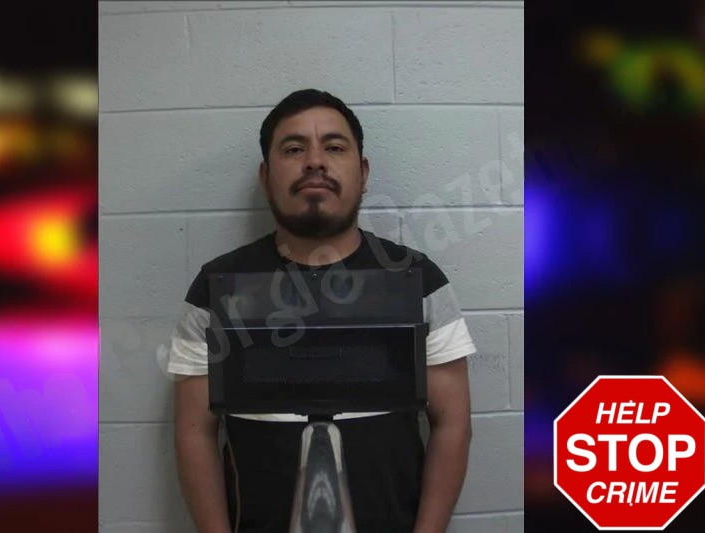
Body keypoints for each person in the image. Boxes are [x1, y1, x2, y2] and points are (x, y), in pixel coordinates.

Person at [169, 89, 476, 533]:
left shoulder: (419, 281)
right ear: (266, 176)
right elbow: (194, 431)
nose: (315, 161)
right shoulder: (214, 289)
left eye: (334, 147)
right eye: (294, 149)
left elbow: (452, 423)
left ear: (363, 172)